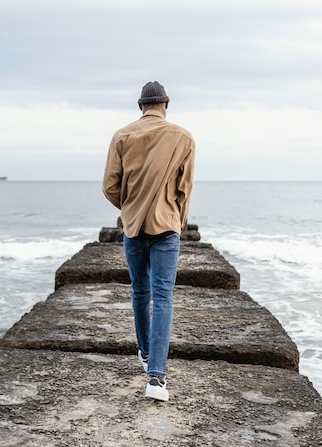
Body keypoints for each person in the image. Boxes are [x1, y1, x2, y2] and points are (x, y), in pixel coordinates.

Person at [102, 81, 195, 401]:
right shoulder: (183, 137)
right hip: (166, 228)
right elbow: (185, 190)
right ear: (165, 105)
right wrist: (176, 219)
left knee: (140, 292)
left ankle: (144, 353)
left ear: (141, 106)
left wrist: (130, 209)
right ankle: (156, 379)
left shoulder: (122, 135)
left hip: (132, 229)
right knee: (163, 297)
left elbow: (109, 186)